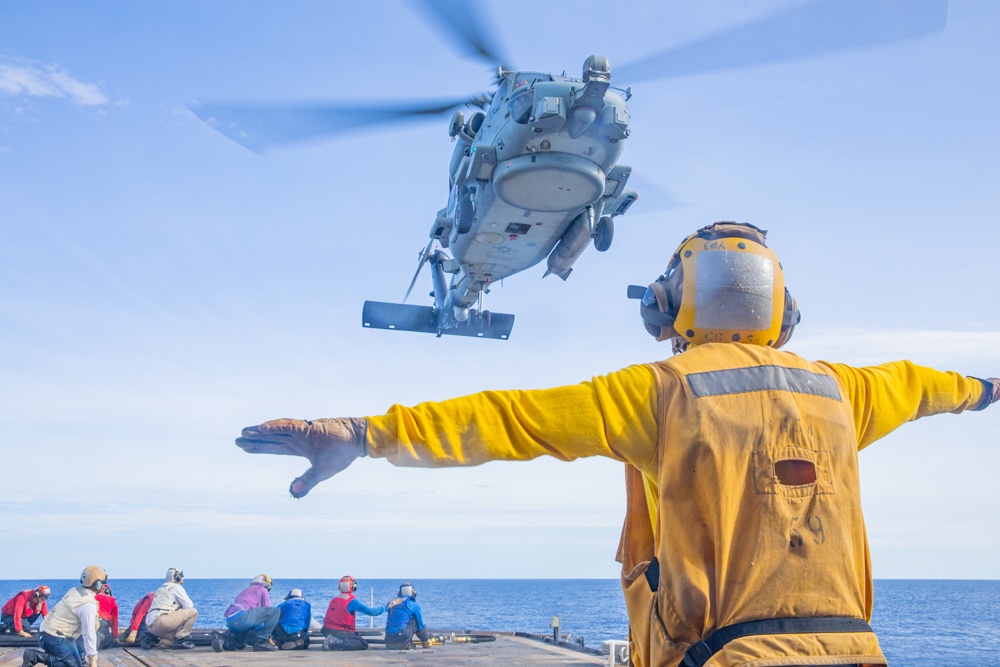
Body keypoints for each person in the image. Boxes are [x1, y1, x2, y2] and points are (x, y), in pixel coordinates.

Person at [235, 221, 1000, 667]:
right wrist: (991, 389)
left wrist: (365, 434)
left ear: (669, 306)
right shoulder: (849, 390)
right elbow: (940, 384)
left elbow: (507, 418)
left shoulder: (659, 393)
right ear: (783, 313)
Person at [23, 566, 107, 667]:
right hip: (52, 637)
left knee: (75, 662)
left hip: (48, 631)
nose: (103, 586)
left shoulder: (75, 590)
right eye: (102, 583)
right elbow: (89, 634)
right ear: (97, 584)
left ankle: (70, 659)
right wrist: (93, 661)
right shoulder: (87, 604)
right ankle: (35, 656)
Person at [212, 574, 279, 652]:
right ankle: (261, 643)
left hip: (232, 619)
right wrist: (266, 636)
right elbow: (267, 610)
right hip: (244, 616)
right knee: (275, 611)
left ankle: (222, 639)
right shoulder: (262, 589)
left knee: (240, 645)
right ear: (265, 583)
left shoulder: (243, 592)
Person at [320, 575, 385, 651]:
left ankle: (333, 641)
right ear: (352, 586)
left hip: (326, 630)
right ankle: (334, 641)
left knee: (354, 638)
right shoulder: (352, 601)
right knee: (363, 644)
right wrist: (386, 607)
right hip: (339, 631)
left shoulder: (334, 599)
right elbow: (371, 612)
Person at [143, 567, 198, 650]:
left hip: (151, 626)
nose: (182, 578)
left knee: (172, 642)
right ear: (177, 577)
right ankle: (181, 640)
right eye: (181, 576)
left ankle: (152, 641)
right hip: (162, 622)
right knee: (193, 612)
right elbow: (189, 605)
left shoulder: (160, 589)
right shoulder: (176, 587)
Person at [383, 583, 430, 650]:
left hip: (389, 636)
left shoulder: (392, 602)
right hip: (402, 634)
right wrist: (425, 640)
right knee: (414, 620)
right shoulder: (413, 605)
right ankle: (407, 643)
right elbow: (420, 626)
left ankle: (393, 644)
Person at [92, 584, 118, 650]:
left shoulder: (93, 597)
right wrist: (115, 636)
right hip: (103, 623)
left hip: (92, 622)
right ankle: (99, 637)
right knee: (108, 641)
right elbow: (115, 620)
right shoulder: (112, 600)